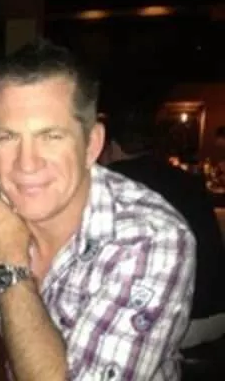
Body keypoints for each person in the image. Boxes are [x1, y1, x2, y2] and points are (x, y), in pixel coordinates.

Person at [0, 40, 196, 380]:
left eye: (51, 136)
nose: (27, 164)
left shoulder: (153, 238)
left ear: (91, 145)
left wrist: (9, 265)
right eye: (8, 137)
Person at [99, 105, 225, 346]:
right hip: (218, 311)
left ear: (111, 147)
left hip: (181, 322)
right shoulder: (186, 179)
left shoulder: (112, 182)